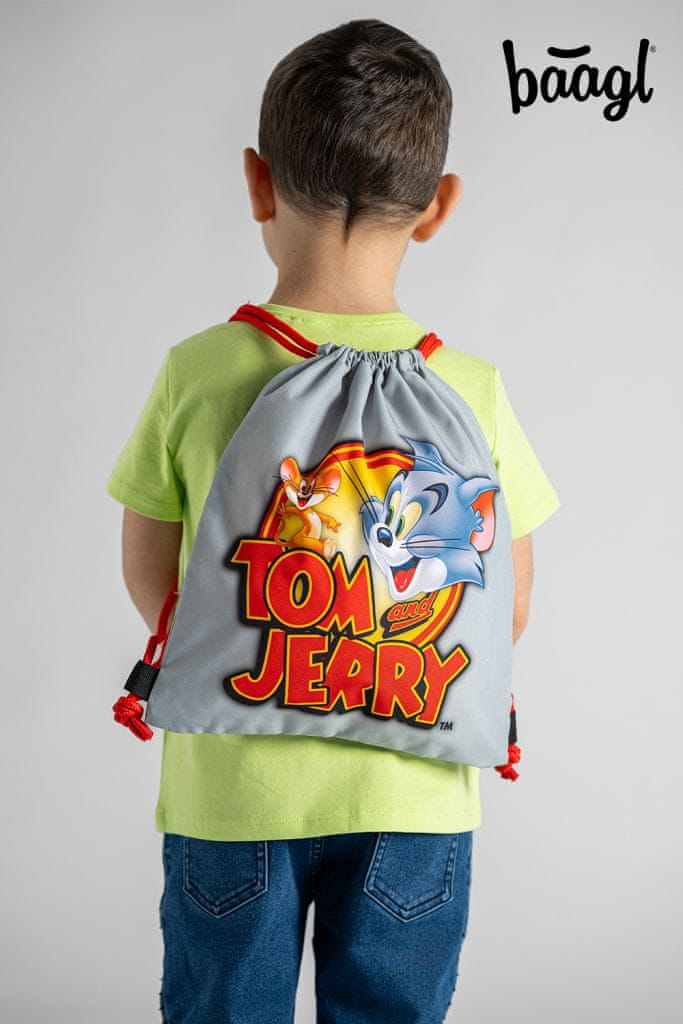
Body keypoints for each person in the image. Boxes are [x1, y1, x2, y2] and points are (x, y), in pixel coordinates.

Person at [106, 18, 560, 1024]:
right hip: (414, 797)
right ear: (437, 206)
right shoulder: (470, 388)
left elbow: (154, 575)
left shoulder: (198, 369)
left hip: (233, 794)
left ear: (257, 182)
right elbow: (509, 602)